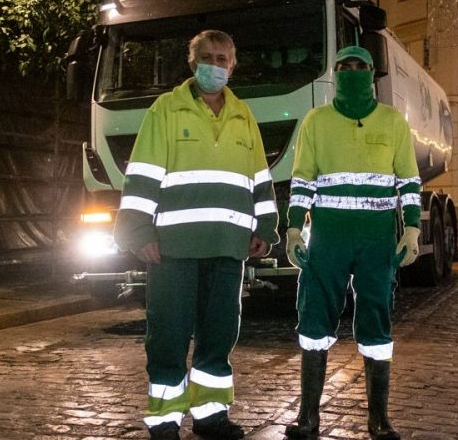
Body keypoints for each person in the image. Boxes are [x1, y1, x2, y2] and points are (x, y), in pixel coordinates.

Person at [113, 30, 279, 440]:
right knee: (168, 332)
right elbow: (142, 176)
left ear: (233, 65)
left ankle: (210, 415)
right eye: (208, 57)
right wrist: (138, 232)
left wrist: (265, 228)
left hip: (228, 246)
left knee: (220, 333)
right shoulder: (165, 111)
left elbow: (260, 179)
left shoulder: (243, 115)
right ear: (192, 63)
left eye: (223, 58)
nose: (216, 65)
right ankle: (165, 420)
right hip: (173, 248)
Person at [283, 45, 421, 440]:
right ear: (336, 74)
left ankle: (379, 419)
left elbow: (408, 181)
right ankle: (308, 417)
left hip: (377, 239)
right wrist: (294, 229)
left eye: (360, 66)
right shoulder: (316, 121)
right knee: (314, 320)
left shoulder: (393, 122)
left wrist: (411, 228)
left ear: (372, 73)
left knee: (377, 319)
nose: (352, 72)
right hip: (327, 237)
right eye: (344, 67)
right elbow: (303, 179)